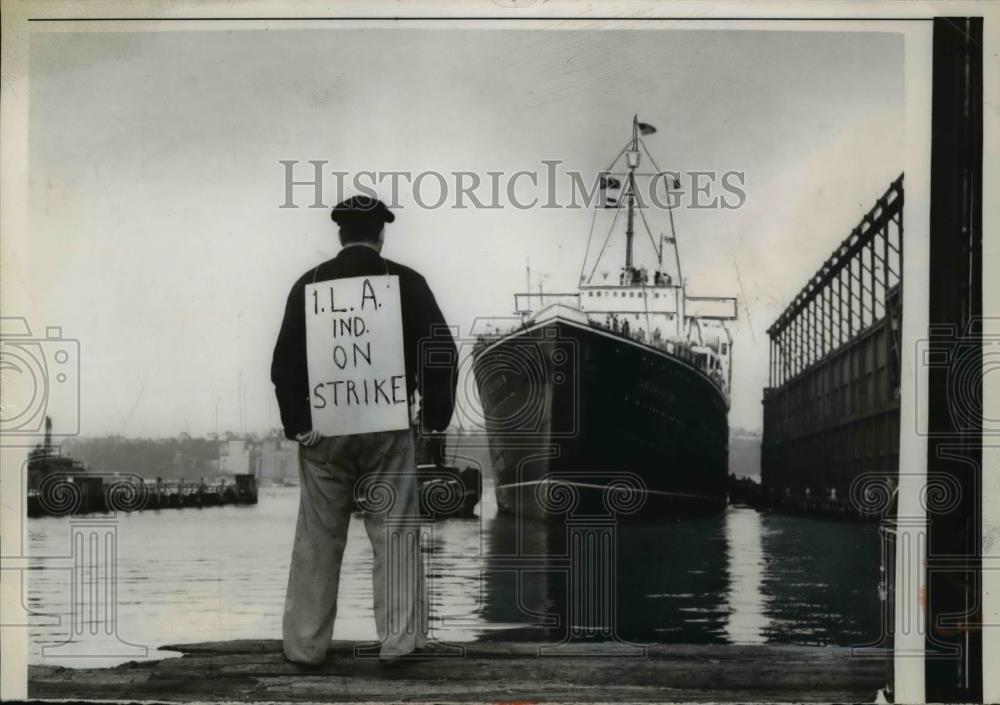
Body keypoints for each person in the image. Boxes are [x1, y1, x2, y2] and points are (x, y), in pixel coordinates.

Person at [271, 195, 458, 666]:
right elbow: (441, 353)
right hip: (388, 428)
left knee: (318, 538)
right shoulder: (408, 283)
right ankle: (398, 643)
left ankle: (305, 646)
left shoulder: (308, 284)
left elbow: (283, 365)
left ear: (339, 234)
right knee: (394, 533)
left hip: (324, 433)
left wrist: (299, 424)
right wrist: (433, 419)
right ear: (381, 234)